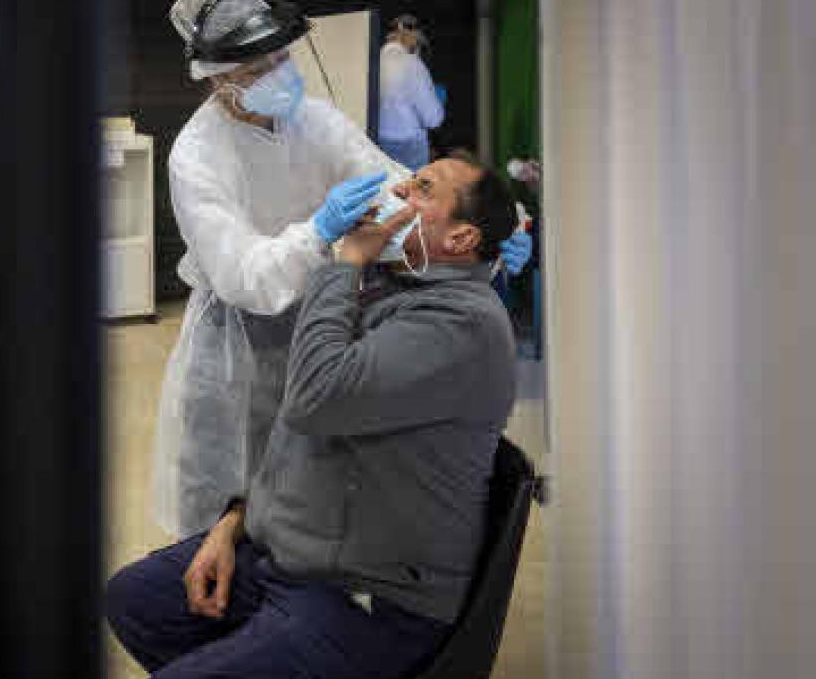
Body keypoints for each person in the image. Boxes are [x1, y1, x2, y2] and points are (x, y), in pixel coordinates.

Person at [108, 152, 519, 679]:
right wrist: (235, 524)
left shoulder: (462, 325)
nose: (398, 194)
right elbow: (293, 434)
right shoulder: (395, 287)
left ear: (461, 240)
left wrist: (343, 265)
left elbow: (315, 395)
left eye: (422, 189)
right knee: (134, 601)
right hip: (298, 554)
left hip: (368, 595)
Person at [154, 0, 415, 538]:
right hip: (235, 344)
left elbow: (389, 184)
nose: (280, 74)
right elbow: (244, 278)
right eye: (258, 67)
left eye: (282, 58)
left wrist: (478, 225)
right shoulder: (197, 156)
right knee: (224, 496)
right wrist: (320, 231)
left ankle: (297, 605)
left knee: (311, 493)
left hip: (320, 323)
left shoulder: (314, 120)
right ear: (216, 78)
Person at [377, 14, 445, 171]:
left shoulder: (371, 60)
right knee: (409, 193)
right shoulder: (412, 64)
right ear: (409, 34)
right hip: (409, 150)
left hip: (377, 145)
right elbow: (433, 119)